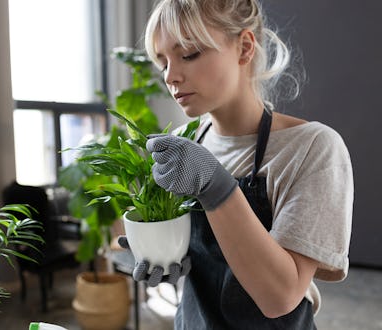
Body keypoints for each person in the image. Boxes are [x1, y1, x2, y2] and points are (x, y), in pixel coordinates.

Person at [118, 0, 354, 328]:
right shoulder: (192, 142)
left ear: (244, 48)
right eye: (163, 62)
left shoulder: (311, 148)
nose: (171, 76)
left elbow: (280, 297)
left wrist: (216, 188)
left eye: (188, 54)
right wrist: (168, 253)